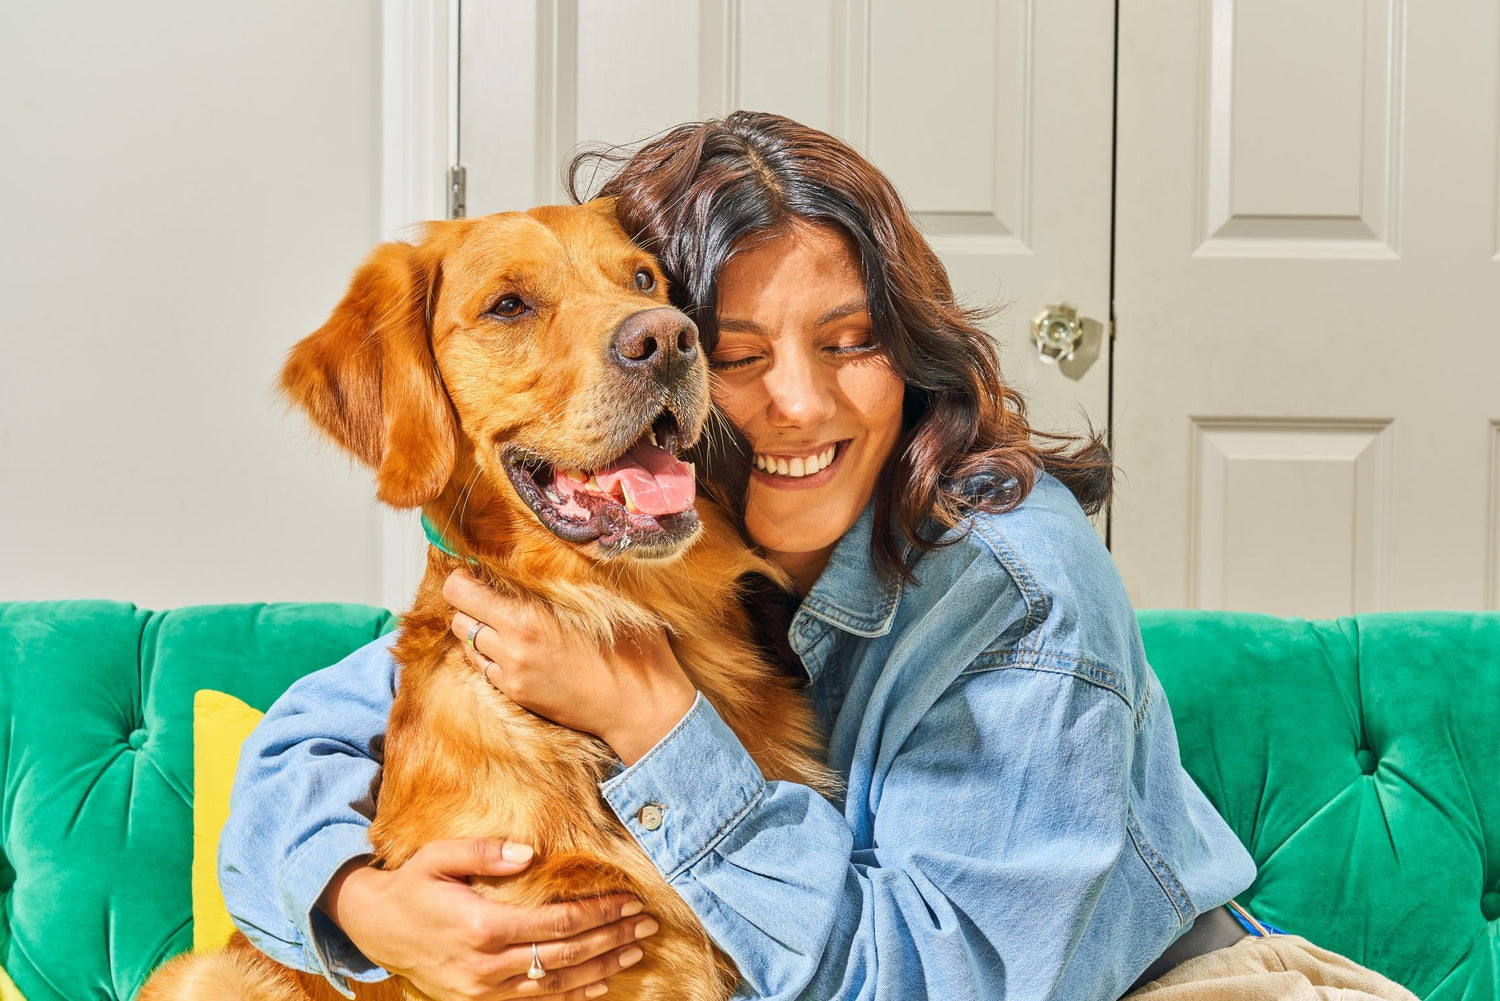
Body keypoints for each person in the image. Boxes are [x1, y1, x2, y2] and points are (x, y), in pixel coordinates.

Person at [220, 112, 1415, 1001]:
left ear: (914, 349)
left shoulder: (1019, 589)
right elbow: (311, 738)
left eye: (852, 342)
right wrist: (358, 906)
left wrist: (651, 719)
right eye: (733, 351)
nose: (798, 404)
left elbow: (945, 979)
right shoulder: (650, 549)